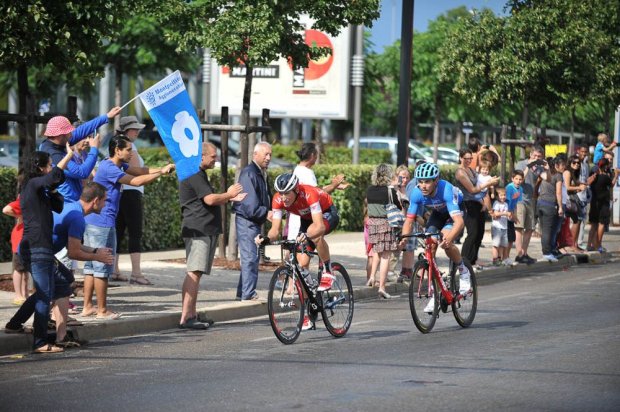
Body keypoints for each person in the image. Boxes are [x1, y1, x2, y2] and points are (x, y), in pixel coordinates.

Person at [5, 182, 114, 347]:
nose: (106, 204)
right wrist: (97, 257)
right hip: (35, 252)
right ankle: (55, 338)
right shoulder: (77, 217)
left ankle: (16, 325)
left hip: (35, 250)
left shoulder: (73, 208)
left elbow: (74, 245)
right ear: (96, 200)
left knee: (62, 281)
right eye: (105, 200)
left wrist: (95, 250)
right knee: (54, 288)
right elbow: (74, 253)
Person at [81, 136, 175, 319]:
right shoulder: (109, 168)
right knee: (102, 266)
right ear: (117, 150)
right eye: (128, 149)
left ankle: (87, 307)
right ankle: (101, 310)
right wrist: (161, 173)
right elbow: (136, 181)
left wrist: (161, 168)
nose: (131, 153)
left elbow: (140, 170)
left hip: (97, 222)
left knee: (91, 267)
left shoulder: (115, 164)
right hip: (102, 223)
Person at [256, 172, 340, 329]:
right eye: (281, 193)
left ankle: (328, 269)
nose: (283, 197)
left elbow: (319, 226)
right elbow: (275, 229)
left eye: (287, 193)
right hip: (306, 220)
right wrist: (266, 239)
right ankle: (310, 310)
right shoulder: (278, 199)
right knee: (301, 267)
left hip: (326, 214)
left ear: (296, 190)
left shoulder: (309, 194)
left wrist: (306, 235)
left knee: (315, 235)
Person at [178, 142, 246, 329]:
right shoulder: (193, 173)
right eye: (213, 156)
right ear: (201, 156)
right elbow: (210, 199)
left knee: (196, 272)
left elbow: (208, 199)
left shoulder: (197, 173)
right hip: (198, 230)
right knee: (194, 271)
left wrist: (229, 197)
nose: (215, 159)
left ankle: (191, 313)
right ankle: (186, 317)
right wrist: (229, 193)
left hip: (204, 229)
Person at [15, 148, 73, 353]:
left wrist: (54, 189)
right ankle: (40, 342)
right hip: (36, 246)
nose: (51, 167)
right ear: (39, 168)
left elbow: (57, 204)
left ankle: (14, 324)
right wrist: (68, 157)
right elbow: (53, 177)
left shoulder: (39, 189)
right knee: (44, 295)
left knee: (49, 288)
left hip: (42, 247)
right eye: (48, 164)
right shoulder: (31, 185)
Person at [399, 162, 471, 314]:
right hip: (438, 213)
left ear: (436, 180)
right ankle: (434, 293)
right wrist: (404, 238)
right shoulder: (417, 193)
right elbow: (409, 220)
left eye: (427, 181)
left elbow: (459, 222)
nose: (423, 185)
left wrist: (448, 238)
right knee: (430, 243)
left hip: (455, 212)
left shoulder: (446, 190)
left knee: (446, 242)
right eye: (420, 181)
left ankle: (463, 271)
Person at [39, 107, 121, 202]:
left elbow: (82, 130)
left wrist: (106, 116)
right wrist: (94, 149)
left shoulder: (57, 142)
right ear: (60, 135)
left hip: (70, 201)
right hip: (66, 204)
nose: (71, 135)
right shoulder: (54, 155)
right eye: (68, 132)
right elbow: (82, 172)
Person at [233, 142, 272, 301]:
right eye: (266, 154)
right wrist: (266, 212)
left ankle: (242, 292)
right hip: (248, 221)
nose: (268, 158)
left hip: (251, 220)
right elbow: (250, 206)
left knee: (251, 257)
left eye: (270, 154)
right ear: (255, 154)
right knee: (250, 258)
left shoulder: (259, 172)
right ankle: (247, 294)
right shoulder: (250, 173)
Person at [113, 116, 149, 283]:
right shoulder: (130, 146)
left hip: (120, 191)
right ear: (126, 130)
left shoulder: (117, 144)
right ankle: (136, 273)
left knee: (118, 231)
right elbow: (136, 170)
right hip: (131, 192)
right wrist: (159, 171)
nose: (137, 131)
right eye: (134, 128)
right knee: (135, 232)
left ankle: (114, 270)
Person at [455, 148, 499, 270]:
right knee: (472, 233)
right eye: (466, 158)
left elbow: (480, 188)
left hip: (477, 203)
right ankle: (463, 261)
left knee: (480, 233)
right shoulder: (460, 172)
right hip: (467, 204)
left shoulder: (471, 170)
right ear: (460, 158)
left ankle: (473, 261)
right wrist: (489, 183)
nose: (468, 161)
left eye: (470, 158)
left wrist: (485, 204)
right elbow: (472, 190)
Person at [364, 164, 402, 299]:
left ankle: (372, 277)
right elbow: (399, 206)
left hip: (373, 223)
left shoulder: (369, 190)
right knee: (386, 256)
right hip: (386, 223)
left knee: (376, 252)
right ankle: (382, 287)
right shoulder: (389, 191)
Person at [514, 146, 545, 264]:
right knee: (519, 227)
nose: (536, 158)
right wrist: (529, 166)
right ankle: (519, 254)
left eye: (539, 157)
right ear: (530, 155)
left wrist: (545, 168)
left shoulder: (539, 167)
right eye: (534, 156)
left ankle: (524, 253)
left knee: (530, 228)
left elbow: (546, 178)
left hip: (531, 200)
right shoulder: (521, 164)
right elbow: (520, 179)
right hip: (520, 199)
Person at [2, 187, 30, 305]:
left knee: (25, 269)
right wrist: (19, 215)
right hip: (19, 238)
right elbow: (6, 209)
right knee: (19, 268)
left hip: (25, 238)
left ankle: (25, 293)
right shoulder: (22, 201)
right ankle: (18, 295)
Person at [587, 158, 618, 251]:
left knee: (593, 225)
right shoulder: (604, 177)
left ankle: (589, 245)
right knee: (601, 224)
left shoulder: (594, 176)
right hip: (603, 204)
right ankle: (598, 245)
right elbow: (611, 184)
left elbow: (588, 182)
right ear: (605, 166)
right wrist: (616, 175)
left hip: (594, 202)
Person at [536, 158, 563, 262]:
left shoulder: (543, 174)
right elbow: (559, 192)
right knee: (548, 230)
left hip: (540, 203)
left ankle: (546, 251)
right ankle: (547, 253)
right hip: (550, 204)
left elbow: (537, 185)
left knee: (544, 230)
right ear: (556, 165)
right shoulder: (558, 175)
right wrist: (560, 207)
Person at [564, 155, 587, 252]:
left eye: (578, 163)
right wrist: (579, 188)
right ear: (570, 163)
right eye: (574, 162)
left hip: (574, 197)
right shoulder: (567, 172)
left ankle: (575, 244)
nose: (577, 164)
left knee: (578, 220)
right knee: (576, 220)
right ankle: (572, 245)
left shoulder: (574, 173)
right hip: (569, 199)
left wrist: (583, 185)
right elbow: (567, 187)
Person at [504, 170, 525, 266]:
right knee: (507, 238)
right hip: (505, 214)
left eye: (520, 179)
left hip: (511, 214)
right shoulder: (509, 187)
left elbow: (517, 203)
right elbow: (506, 201)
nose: (518, 181)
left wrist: (514, 215)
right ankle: (503, 257)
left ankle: (506, 257)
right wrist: (510, 214)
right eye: (516, 179)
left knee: (511, 238)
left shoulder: (520, 189)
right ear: (512, 179)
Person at [490, 188, 510, 266]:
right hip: (497, 227)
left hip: (504, 227)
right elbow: (496, 214)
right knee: (496, 244)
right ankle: (495, 259)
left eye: (504, 195)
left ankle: (500, 258)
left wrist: (509, 216)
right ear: (497, 196)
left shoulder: (506, 204)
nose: (503, 197)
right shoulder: (496, 203)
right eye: (501, 195)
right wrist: (505, 213)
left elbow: (506, 215)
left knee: (502, 245)